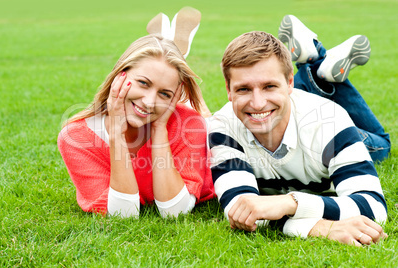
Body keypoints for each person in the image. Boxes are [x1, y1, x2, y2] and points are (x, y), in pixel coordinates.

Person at [208, 15, 390, 246]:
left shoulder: (329, 120)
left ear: (290, 82)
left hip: (319, 121)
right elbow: (239, 211)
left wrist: (291, 203)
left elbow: (373, 206)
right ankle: (316, 62)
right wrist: (320, 227)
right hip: (301, 115)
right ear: (228, 90)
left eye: (269, 86)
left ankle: (315, 60)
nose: (257, 102)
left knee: (381, 145)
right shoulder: (223, 126)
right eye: (243, 89)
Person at [58, 9, 215, 218]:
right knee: (164, 84)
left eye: (166, 94)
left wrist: (159, 129)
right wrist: (116, 134)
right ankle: (169, 49)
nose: (149, 101)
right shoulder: (76, 138)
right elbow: (124, 214)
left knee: (208, 121)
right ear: (120, 75)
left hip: (206, 136)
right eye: (143, 82)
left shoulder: (189, 124)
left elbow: (174, 212)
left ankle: (169, 53)